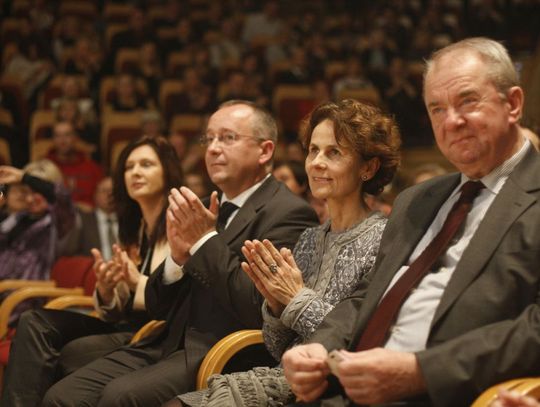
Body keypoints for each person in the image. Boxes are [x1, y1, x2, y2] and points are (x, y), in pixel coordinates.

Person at [282, 37, 540, 407]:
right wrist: (319, 347)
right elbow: (368, 295)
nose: (452, 121)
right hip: (342, 390)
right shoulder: (416, 199)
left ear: (513, 103)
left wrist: (421, 371)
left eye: (468, 101)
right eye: (437, 109)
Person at [40, 100, 319, 406]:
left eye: (227, 138)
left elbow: (257, 308)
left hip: (221, 351)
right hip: (166, 340)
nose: (213, 148)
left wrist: (203, 241)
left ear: (264, 151)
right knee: (61, 396)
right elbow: (157, 305)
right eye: (208, 139)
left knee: (119, 397)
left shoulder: (288, 212)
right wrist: (176, 259)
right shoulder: (203, 205)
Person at [174, 98, 401, 406]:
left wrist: (295, 299)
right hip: (283, 376)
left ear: (368, 167)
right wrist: (276, 307)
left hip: (332, 388)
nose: (317, 162)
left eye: (334, 152)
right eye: (313, 150)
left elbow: (360, 342)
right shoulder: (309, 239)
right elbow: (277, 346)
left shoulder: (384, 240)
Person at [2, 136, 183, 406]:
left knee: (69, 353)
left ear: (167, 172)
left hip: (154, 333)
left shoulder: (179, 224)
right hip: (125, 323)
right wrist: (107, 289)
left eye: (146, 164)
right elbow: (116, 308)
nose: (135, 172)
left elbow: (174, 301)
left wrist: (136, 282)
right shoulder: (134, 226)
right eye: (129, 166)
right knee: (34, 322)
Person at [46, 120, 104, 209]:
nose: (62, 140)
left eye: (67, 135)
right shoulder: (44, 167)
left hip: (90, 215)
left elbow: (102, 198)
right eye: (58, 136)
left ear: (75, 138)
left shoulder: (92, 167)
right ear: (53, 139)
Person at [63, 176, 118, 260]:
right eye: (104, 191)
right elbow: (70, 252)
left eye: (113, 191)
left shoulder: (127, 220)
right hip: (93, 266)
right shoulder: (83, 220)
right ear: (95, 195)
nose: (109, 195)